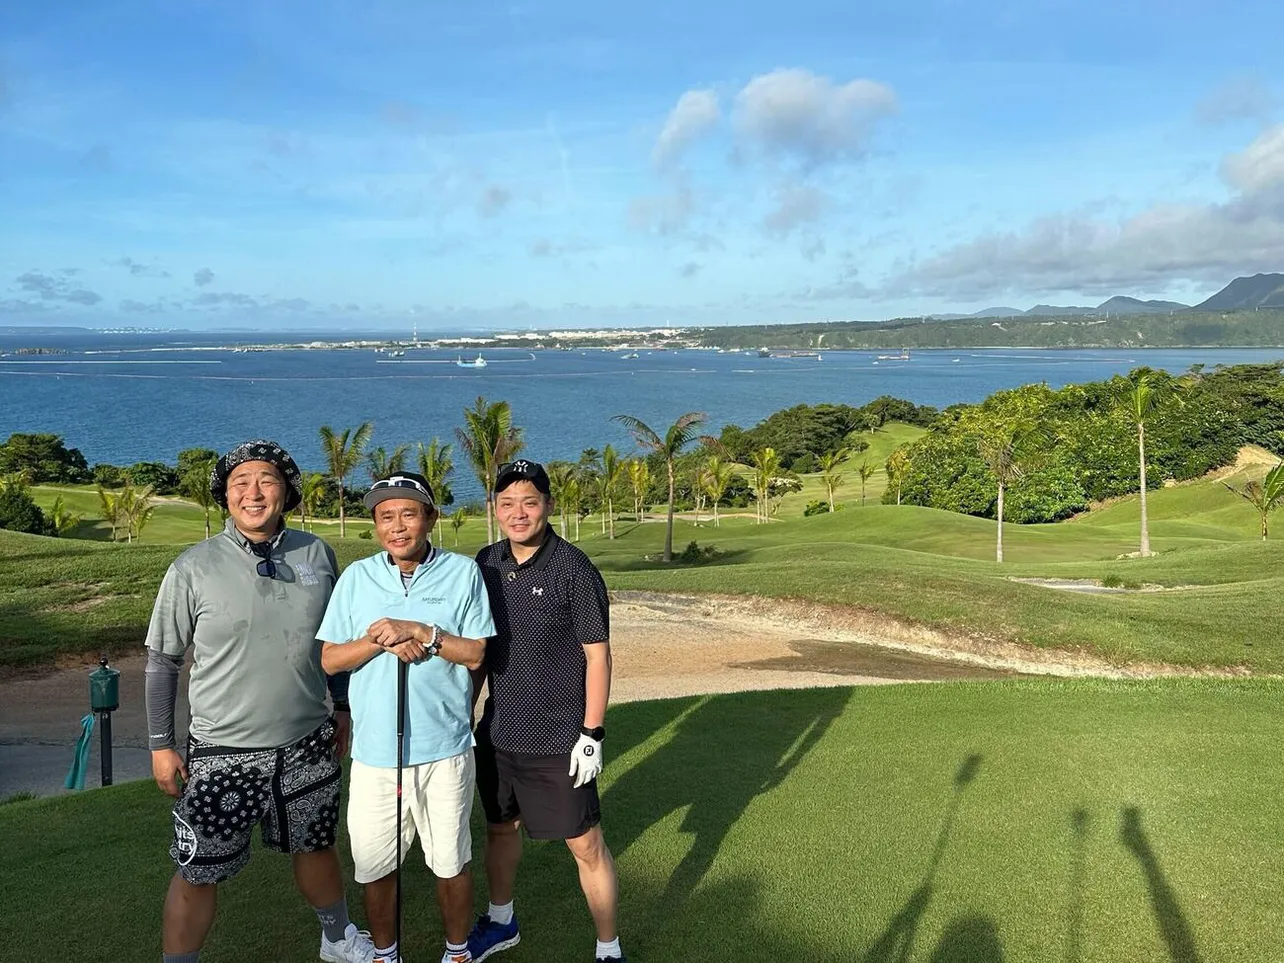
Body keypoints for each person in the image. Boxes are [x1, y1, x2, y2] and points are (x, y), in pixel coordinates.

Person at [144, 439, 374, 963]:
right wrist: (161, 744)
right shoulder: (192, 567)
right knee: (199, 868)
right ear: (224, 495)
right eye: (239, 483)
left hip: (307, 742)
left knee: (316, 845)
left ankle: (338, 940)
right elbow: (163, 662)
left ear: (285, 492)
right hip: (224, 750)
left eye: (266, 481)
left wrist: (341, 707)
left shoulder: (316, 554)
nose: (253, 492)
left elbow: (332, 643)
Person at [319, 472, 495, 963]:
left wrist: (422, 629)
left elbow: (477, 652)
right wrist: (382, 639)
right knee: (376, 866)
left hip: (446, 748)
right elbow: (331, 660)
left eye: (408, 513)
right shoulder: (357, 578)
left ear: (430, 518)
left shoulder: (463, 573)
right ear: (376, 525)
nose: (397, 526)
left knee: (450, 862)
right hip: (376, 754)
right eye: (385, 517)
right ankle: (385, 954)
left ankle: (457, 953)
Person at [468, 459, 625, 963]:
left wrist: (592, 733)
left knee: (585, 845)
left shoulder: (574, 569)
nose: (518, 513)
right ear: (494, 509)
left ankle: (608, 948)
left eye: (529, 502)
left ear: (548, 506)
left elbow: (597, 656)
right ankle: (501, 920)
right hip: (500, 730)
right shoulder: (485, 563)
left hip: (560, 738)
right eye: (507, 503)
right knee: (499, 829)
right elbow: (478, 652)